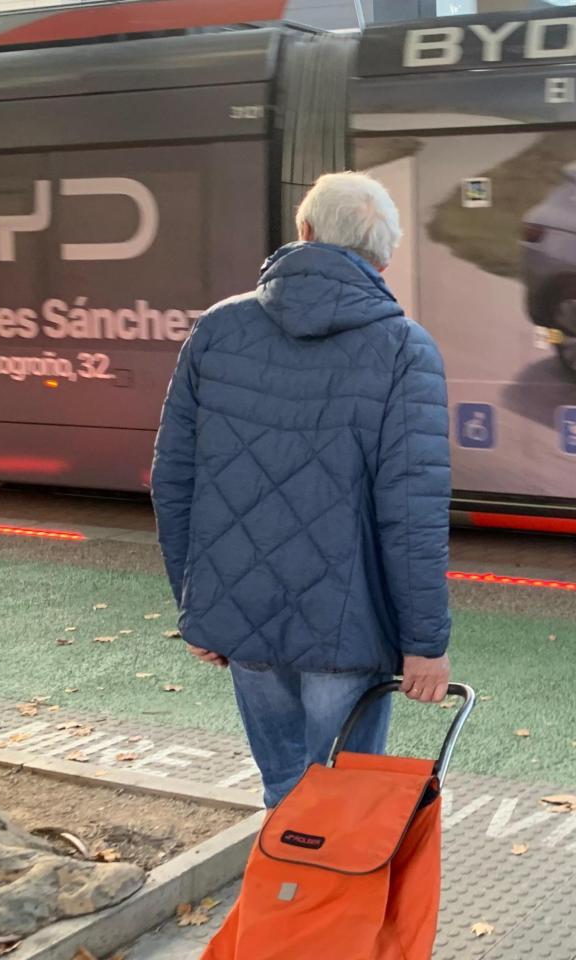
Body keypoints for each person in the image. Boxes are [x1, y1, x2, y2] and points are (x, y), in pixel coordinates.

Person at [152, 172, 452, 809]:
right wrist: (424, 645)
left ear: (305, 231)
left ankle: (286, 872)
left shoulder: (218, 329)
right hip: (350, 628)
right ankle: (330, 877)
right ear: (384, 258)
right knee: (343, 803)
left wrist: (198, 607)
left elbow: (174, 479)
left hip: (243, 612)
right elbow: (412, 514)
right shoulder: (405, 349)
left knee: (284, 794)